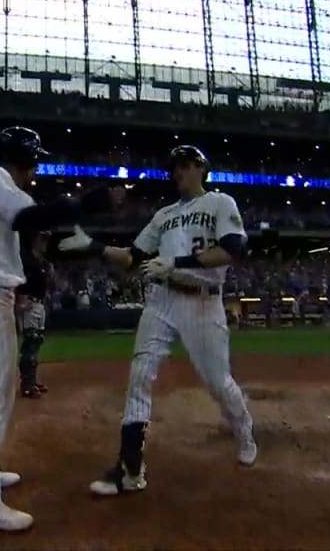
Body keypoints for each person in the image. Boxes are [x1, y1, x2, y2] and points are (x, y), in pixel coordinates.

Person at [59, 145, 257, 496]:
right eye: (173, 167)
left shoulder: (220, 203)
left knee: (217, 382)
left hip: (202, 303)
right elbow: (133, 257)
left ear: (200, 166)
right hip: (161, 299)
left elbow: (232, 249)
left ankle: (243, 429)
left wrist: (178, 263)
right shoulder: (164, 215)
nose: (176, 172)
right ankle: (129, 469)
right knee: (139, 375)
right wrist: (93, 246)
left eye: (183, 165)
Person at [0, 126, 120, 531]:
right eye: (34, 160)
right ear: (23, 158)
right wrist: (85, 204)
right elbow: (28, 216)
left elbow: (20, 224)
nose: (36, 169)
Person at [16, 230, 53, 398]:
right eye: (42, 239)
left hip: (39, 304)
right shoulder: (26, 260)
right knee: (29, 343)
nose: (45, 243)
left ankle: (32, 380)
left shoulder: (43, 263)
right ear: (34, 240)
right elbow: (16, 280)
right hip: (28, 304)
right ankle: (26, 384)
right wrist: (19, 301)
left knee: (36, 342)